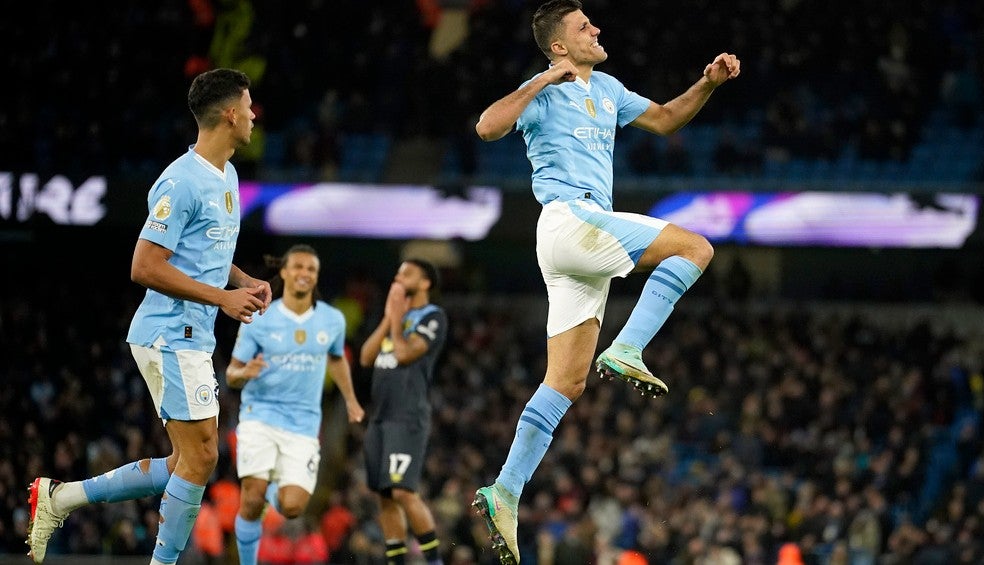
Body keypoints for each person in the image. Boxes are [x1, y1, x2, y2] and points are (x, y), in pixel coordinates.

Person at [469, 1, 740, 563]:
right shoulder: (541, 89)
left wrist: (707, 83)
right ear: (560, 45)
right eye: (583, 26)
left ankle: (505, 490)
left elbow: (665, 119)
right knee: (696, 247)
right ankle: (629, 347)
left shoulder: (610, 89)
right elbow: (487, 126)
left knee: (565, 383)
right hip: (570, 219)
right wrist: (542, 79)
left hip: (577, 245)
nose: (597, 29)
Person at [26, 68, 272, 564]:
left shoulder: (226, 174)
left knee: (185, 460)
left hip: (192, 334)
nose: (253, 115)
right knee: (202, 458)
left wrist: (240, 281)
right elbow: (144, 265)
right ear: (229, 114)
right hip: (169, 333)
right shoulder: (180, 182)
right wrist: (221, 300)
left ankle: (60, 498)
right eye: (248, 106)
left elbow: (204, 252)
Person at [225, 244, 365, 565]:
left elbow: (337, 359)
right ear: (285, 272)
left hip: (303, 425)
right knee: (251, 499)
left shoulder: (332, 320)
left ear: (316, 277)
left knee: (292, 508)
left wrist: (351, 401)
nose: (304, 274)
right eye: (298, 267)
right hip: (259, 416)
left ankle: (276, 485)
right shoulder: (259, 317)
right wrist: (244, 372)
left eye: (311, 269)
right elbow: (232, 373)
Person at [359, 259, 448, 565]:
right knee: (384, 495)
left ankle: (434, 560)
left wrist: (396, 322)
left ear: (424, 284)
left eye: (407, 273)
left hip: (407, 416)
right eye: (397, 272)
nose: (398, 277)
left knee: (402, 492)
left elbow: (405, 352)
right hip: (380, 418)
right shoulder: (395, 317)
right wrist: (388, 318)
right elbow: (366, 357)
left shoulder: (432, 316)